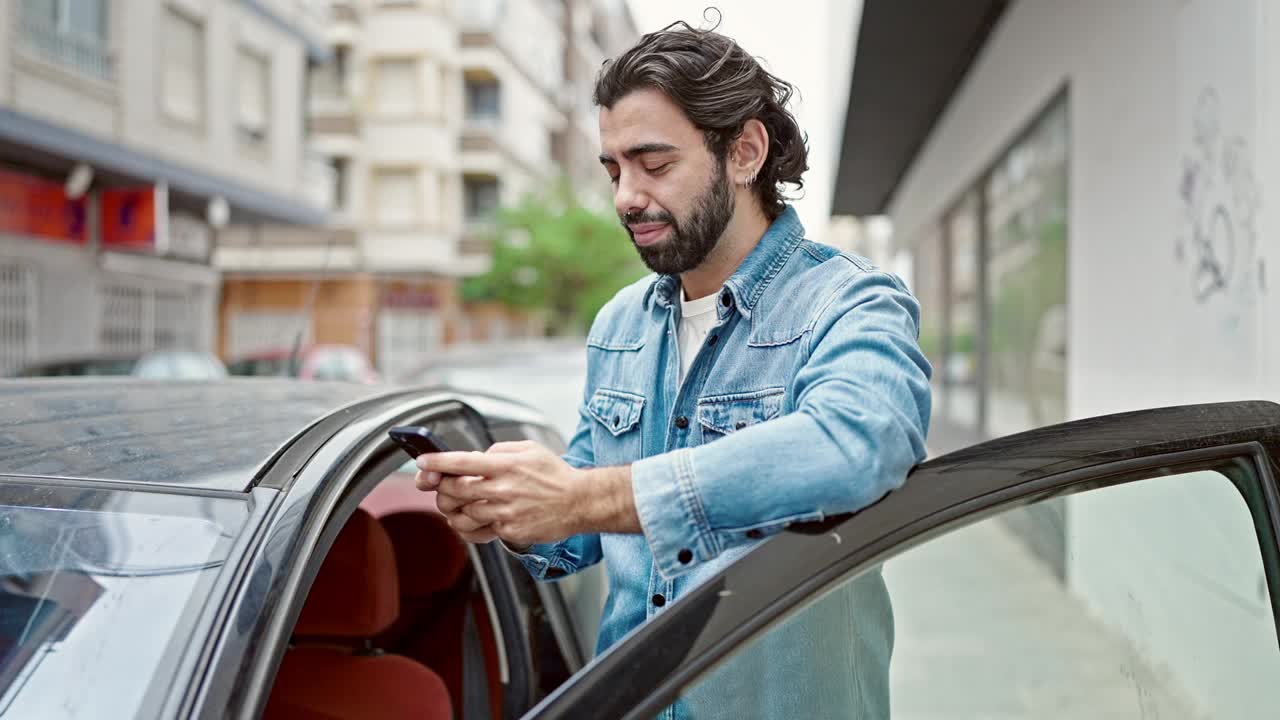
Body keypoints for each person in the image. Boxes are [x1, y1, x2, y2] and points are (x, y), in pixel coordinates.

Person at [417, 18, 932, 719]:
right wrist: (516, 510)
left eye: (653, 164)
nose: (626, 196)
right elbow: (586, 523)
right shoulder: (618, 326)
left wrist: (589, 496)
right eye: (613, 169)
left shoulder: (851, 301)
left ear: (745, 151)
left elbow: (858, 445)